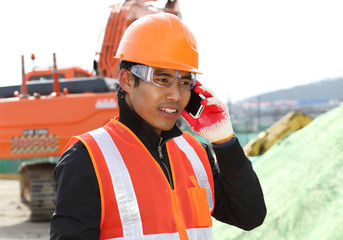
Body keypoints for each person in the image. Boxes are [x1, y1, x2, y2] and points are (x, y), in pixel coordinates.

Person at [50, 13, 266, 240]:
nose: (175, 95)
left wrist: (225, 142)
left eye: (184, 82)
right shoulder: (87, 157)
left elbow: (249, 216)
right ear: (127, 80)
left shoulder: (195, 153)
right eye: (162, 79)